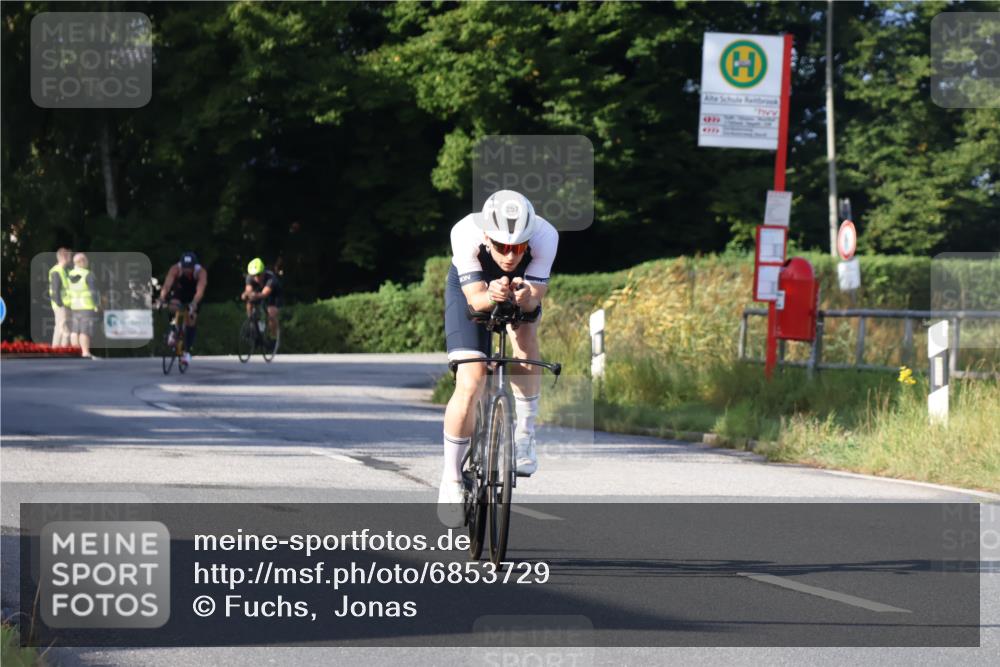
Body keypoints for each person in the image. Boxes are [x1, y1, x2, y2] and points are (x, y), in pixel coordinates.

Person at [438, 190, 559, 527]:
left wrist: (525, 298)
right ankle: (450, 479)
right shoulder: (465, 232)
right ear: (487, 237)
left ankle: (524, 433)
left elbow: (535, 299)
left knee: (526, 335)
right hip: (473, 289)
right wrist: (491, 294)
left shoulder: (545, 235)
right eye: (503, 247)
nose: (510, 255)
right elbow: (475, 302)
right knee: (472, 378)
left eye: (518, 248)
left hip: (519, 292)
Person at [159, 252, 207, 365]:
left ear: (194, 266)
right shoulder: (175, 269)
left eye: (189, 268)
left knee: (191, 319)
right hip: (180, 293)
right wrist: (161, 298)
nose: (186, 270)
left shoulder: (201, 272)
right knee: (173, 305)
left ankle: (186, 352)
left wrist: (194, 303)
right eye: (185, 267)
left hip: (194, 295)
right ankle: (173, 330)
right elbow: (167, 285)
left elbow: (200, 289)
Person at [241, 258, 282, 345]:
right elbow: (248, 290)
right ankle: (252, 323)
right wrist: (246, 295)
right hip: (259, 291)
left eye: (258, 275)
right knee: (249, 301)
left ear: (263, 272)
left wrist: (254, 295)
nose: (256, 277)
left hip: (273, 294)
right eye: (253, 275)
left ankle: (273, 337)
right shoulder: (250, 277)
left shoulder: (271, 278)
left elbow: (264, 294)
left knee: (271, 313)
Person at [66, 252, 99, 359]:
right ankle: (85, 352)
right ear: (82, 261)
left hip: (74, 306)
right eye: (86, 260)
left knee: (75, 331)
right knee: (85, 330)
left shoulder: (70, 275)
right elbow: (93, 291)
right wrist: (96, 304)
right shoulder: (87, 274)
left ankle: (76, 351)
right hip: (86, 306)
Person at [48, 247, 73, 347]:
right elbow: (55, 290)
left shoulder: (64, 270)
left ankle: (63, 351)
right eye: (69, 256)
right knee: (60, 327)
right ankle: (55, 350)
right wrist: (60, 304)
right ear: (64, 256)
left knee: (66, 329)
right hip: (61, 305)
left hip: (66, 304)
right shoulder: (57, 271)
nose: (70, 258)